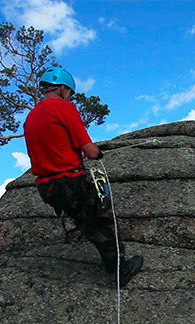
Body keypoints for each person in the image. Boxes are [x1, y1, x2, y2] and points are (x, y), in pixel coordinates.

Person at [24, 67, 143, 287]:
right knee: (104, 218)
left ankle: (110, 263)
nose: (69, 95)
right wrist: (97, 152)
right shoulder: (64, 108)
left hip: (47, 188)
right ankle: (120, 270)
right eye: (69, 91)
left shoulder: (31, 116)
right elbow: (89, 151)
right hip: (70, 182)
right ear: (62, 88)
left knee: (85, 221)